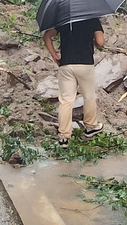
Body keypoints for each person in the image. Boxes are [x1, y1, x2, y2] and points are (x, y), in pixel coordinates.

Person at [42, 18, 105, 147]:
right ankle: (90, 126)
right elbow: (100, 42)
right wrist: (94, 42)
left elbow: (47, 36)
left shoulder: (64, 19)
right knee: (89, 96)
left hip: (66, 65)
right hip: (85, 64)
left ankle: (64, 136)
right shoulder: (92, 19)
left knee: (66, 100)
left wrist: (54, 54)